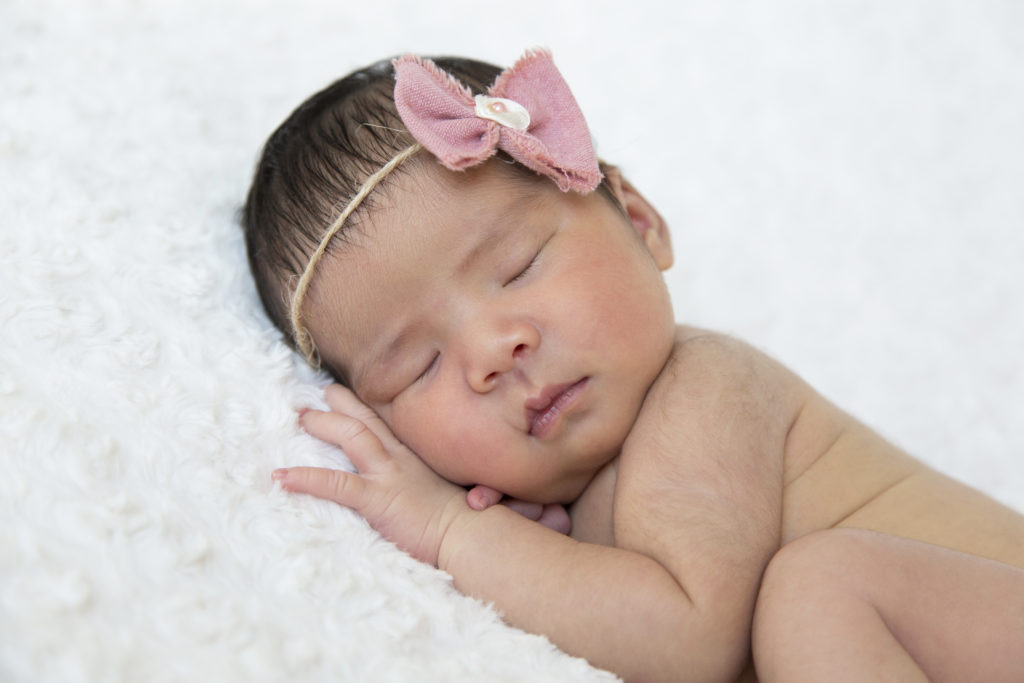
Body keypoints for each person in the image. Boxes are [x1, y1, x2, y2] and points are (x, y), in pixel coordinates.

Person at [243, 50, 1024, 682]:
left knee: (821, 587)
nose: (492, 352)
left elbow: (685, 640)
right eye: (419, 366)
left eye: (517, 267)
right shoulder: (563, 526)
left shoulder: (705, 386)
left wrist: (452, 533)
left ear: (642, 223)